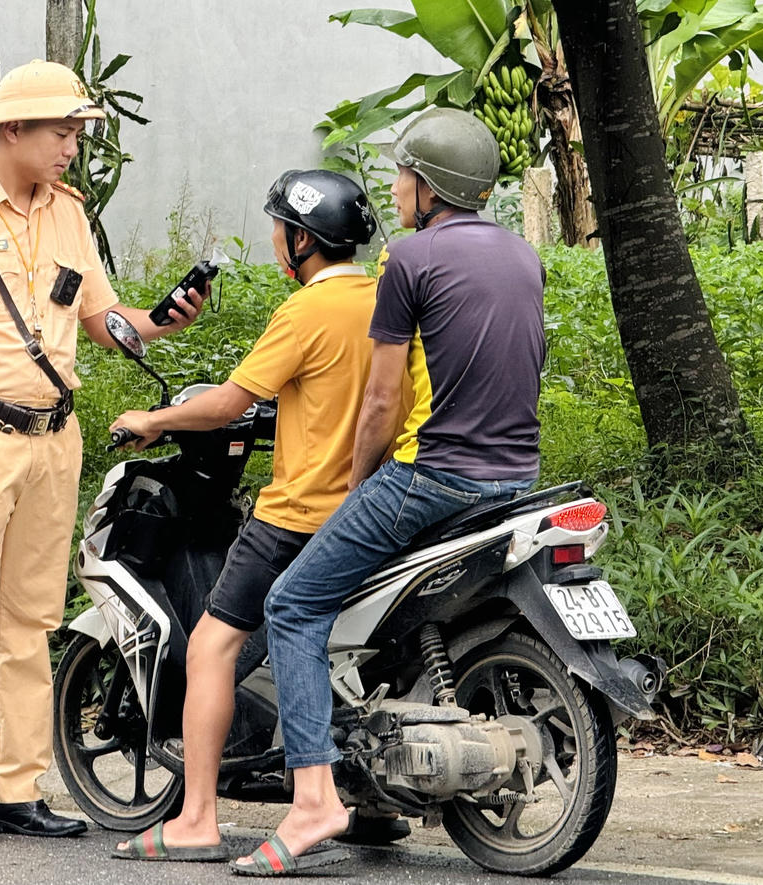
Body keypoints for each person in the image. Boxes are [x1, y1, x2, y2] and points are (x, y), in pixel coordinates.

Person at [0, 59, 203, 847]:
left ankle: (13, 787)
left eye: (77, 133)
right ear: (14, 129)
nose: (72, 146)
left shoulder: (68, 213)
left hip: (53, 438)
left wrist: (161, 320)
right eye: (62, 131)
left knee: (30, 618)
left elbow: (100, 318)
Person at [230, 107, 548, 875]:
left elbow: (380, 403)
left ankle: (313, 802)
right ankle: (372, 789)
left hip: (433, 475)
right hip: (519, 478)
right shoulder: (522, 253)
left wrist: (357, 485)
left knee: (293, 605)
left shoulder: (408, 260)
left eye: (404, 176)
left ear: (429, 188)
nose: (397, 189)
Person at [107, 170, 378, 863]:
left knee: (210, 646)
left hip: (296, 513)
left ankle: (196, 816)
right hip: (365, 511)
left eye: (279, 230)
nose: (273, 241)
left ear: (302, 240)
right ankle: (371, 804)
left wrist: (155, 420)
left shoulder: (304, 313)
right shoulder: (382, 300)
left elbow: (229, 402)